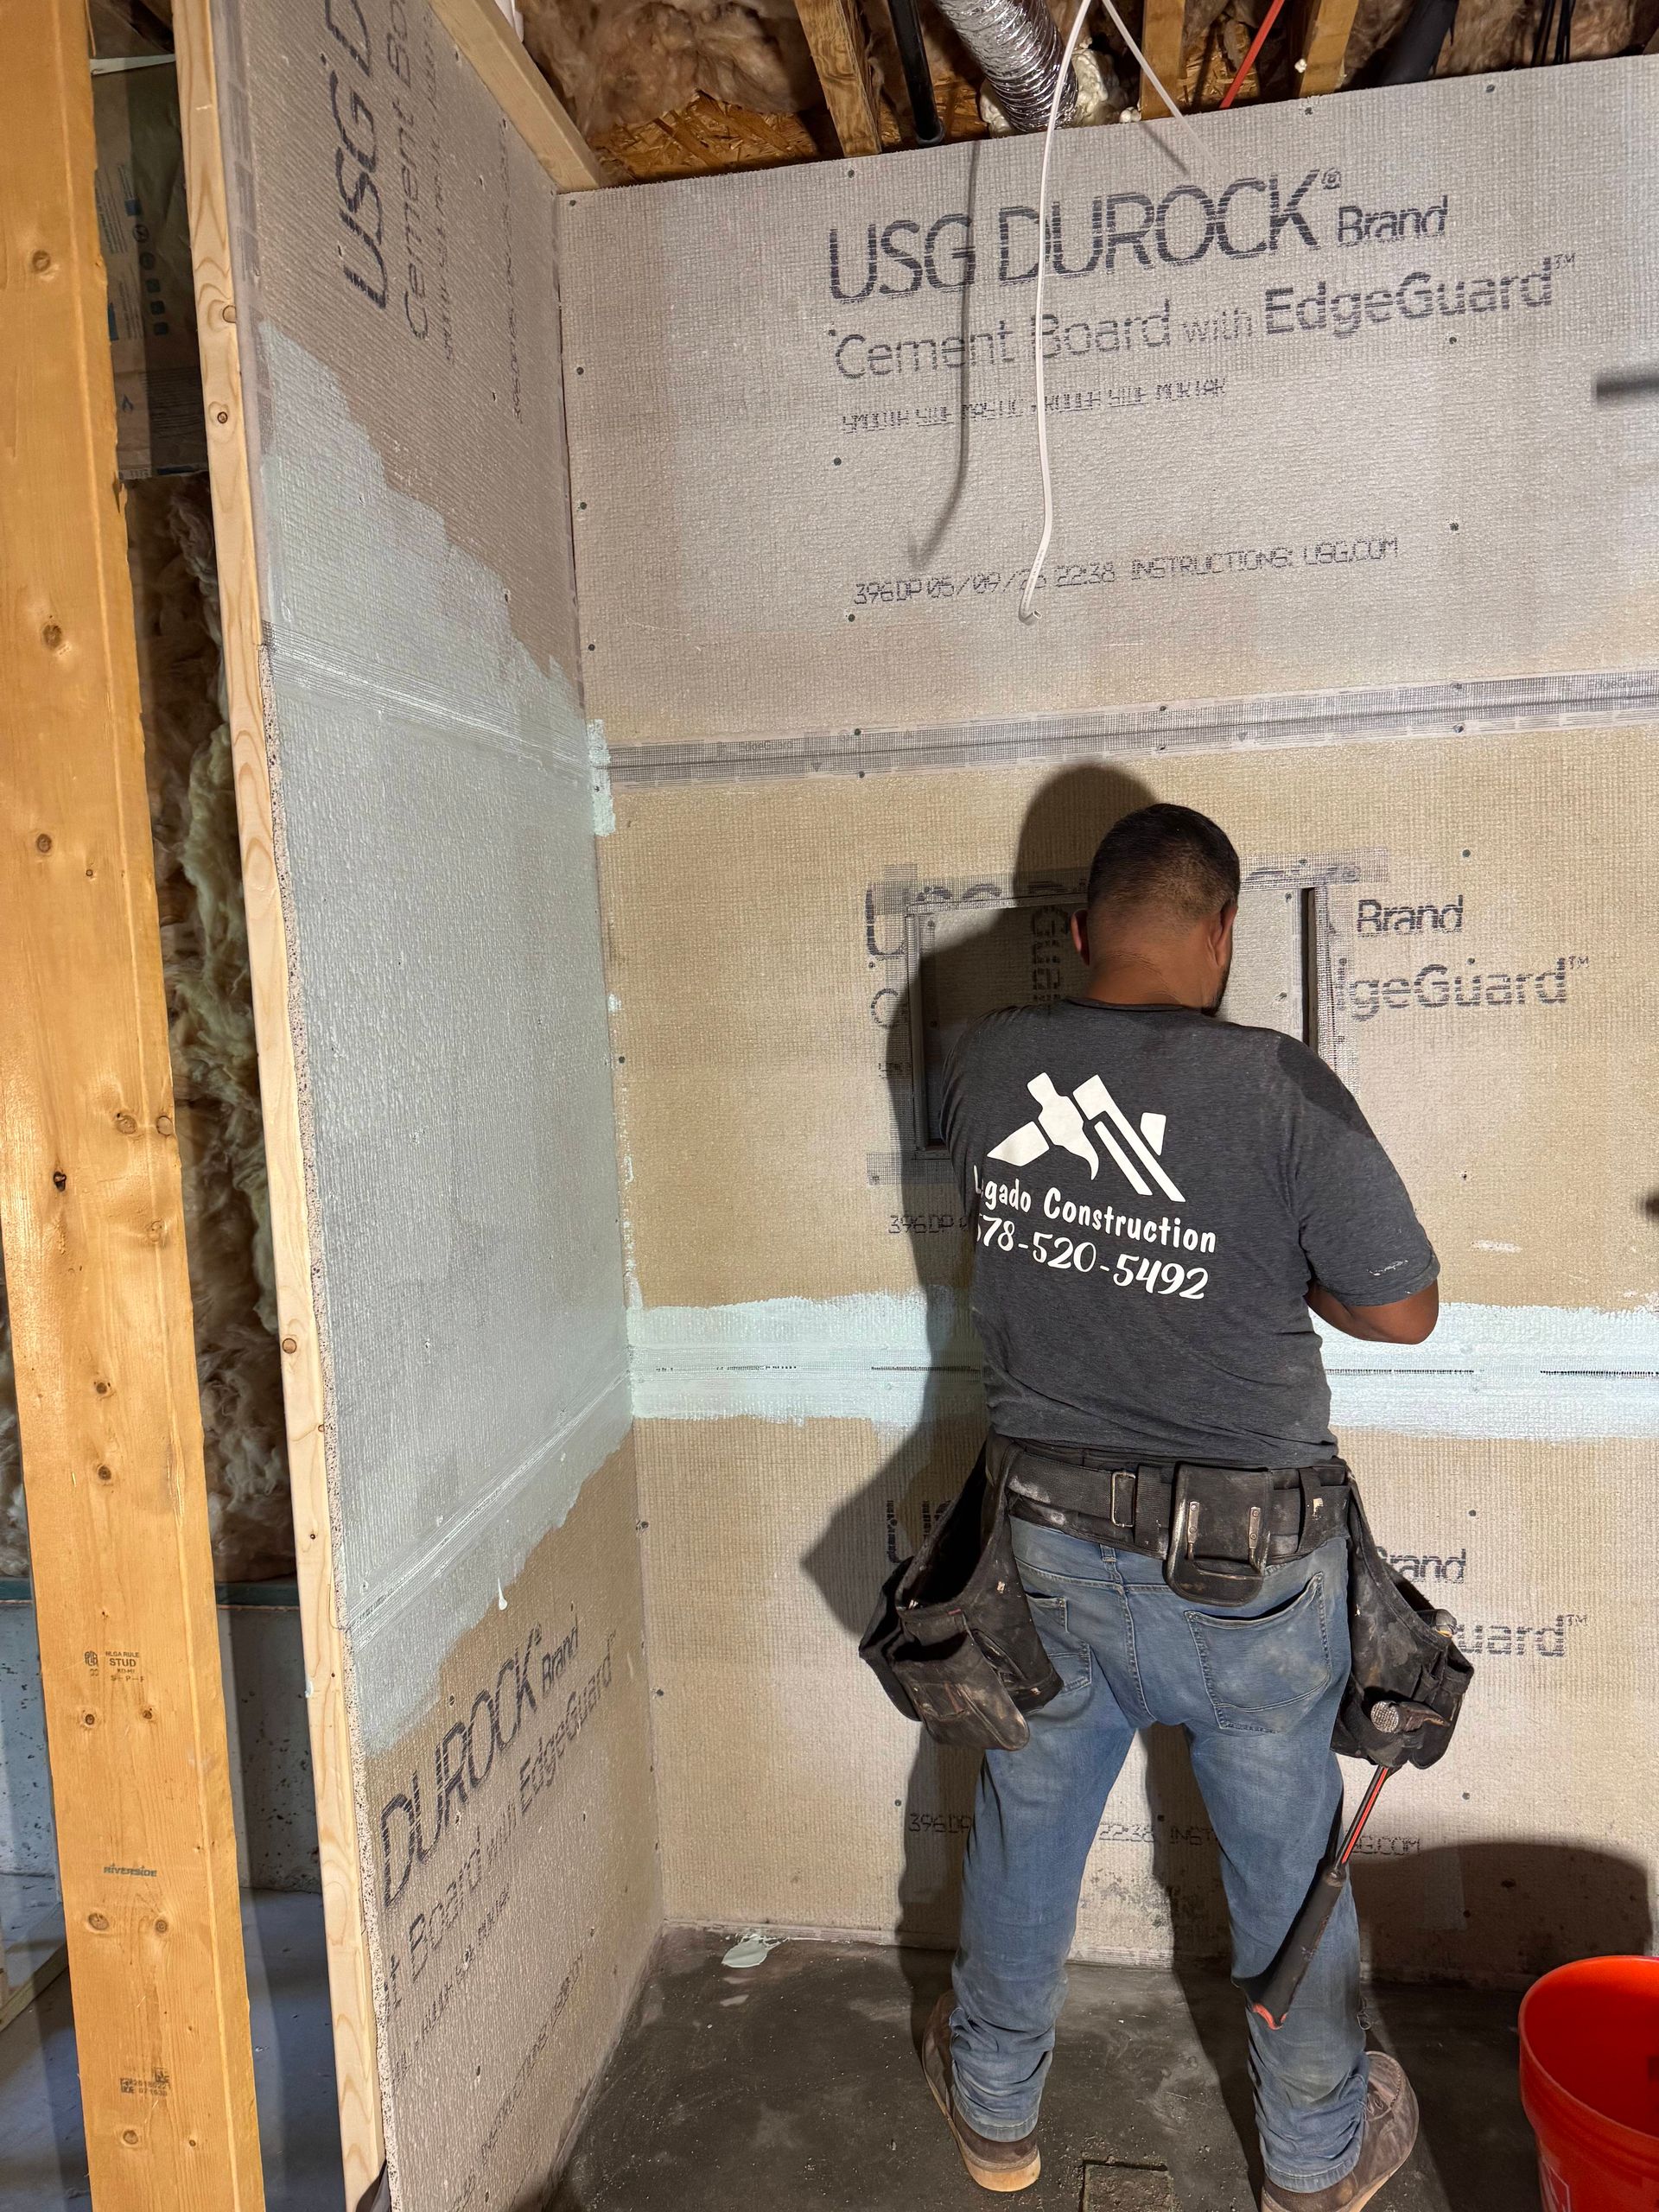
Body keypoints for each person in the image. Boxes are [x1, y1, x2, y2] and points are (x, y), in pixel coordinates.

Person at [922, 804, 1440, 2210]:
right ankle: (1313, 2166)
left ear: (1081, 935)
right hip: (1250, 1576)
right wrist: (1289, 1278)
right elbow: (1402, 1312)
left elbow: (1028, 1227)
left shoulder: (984, 1062)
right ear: (1221, 939)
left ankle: (992, 2118)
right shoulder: (1277, 1085)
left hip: (1044, 1551)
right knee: (1286, 1875)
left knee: (1029, 1830)